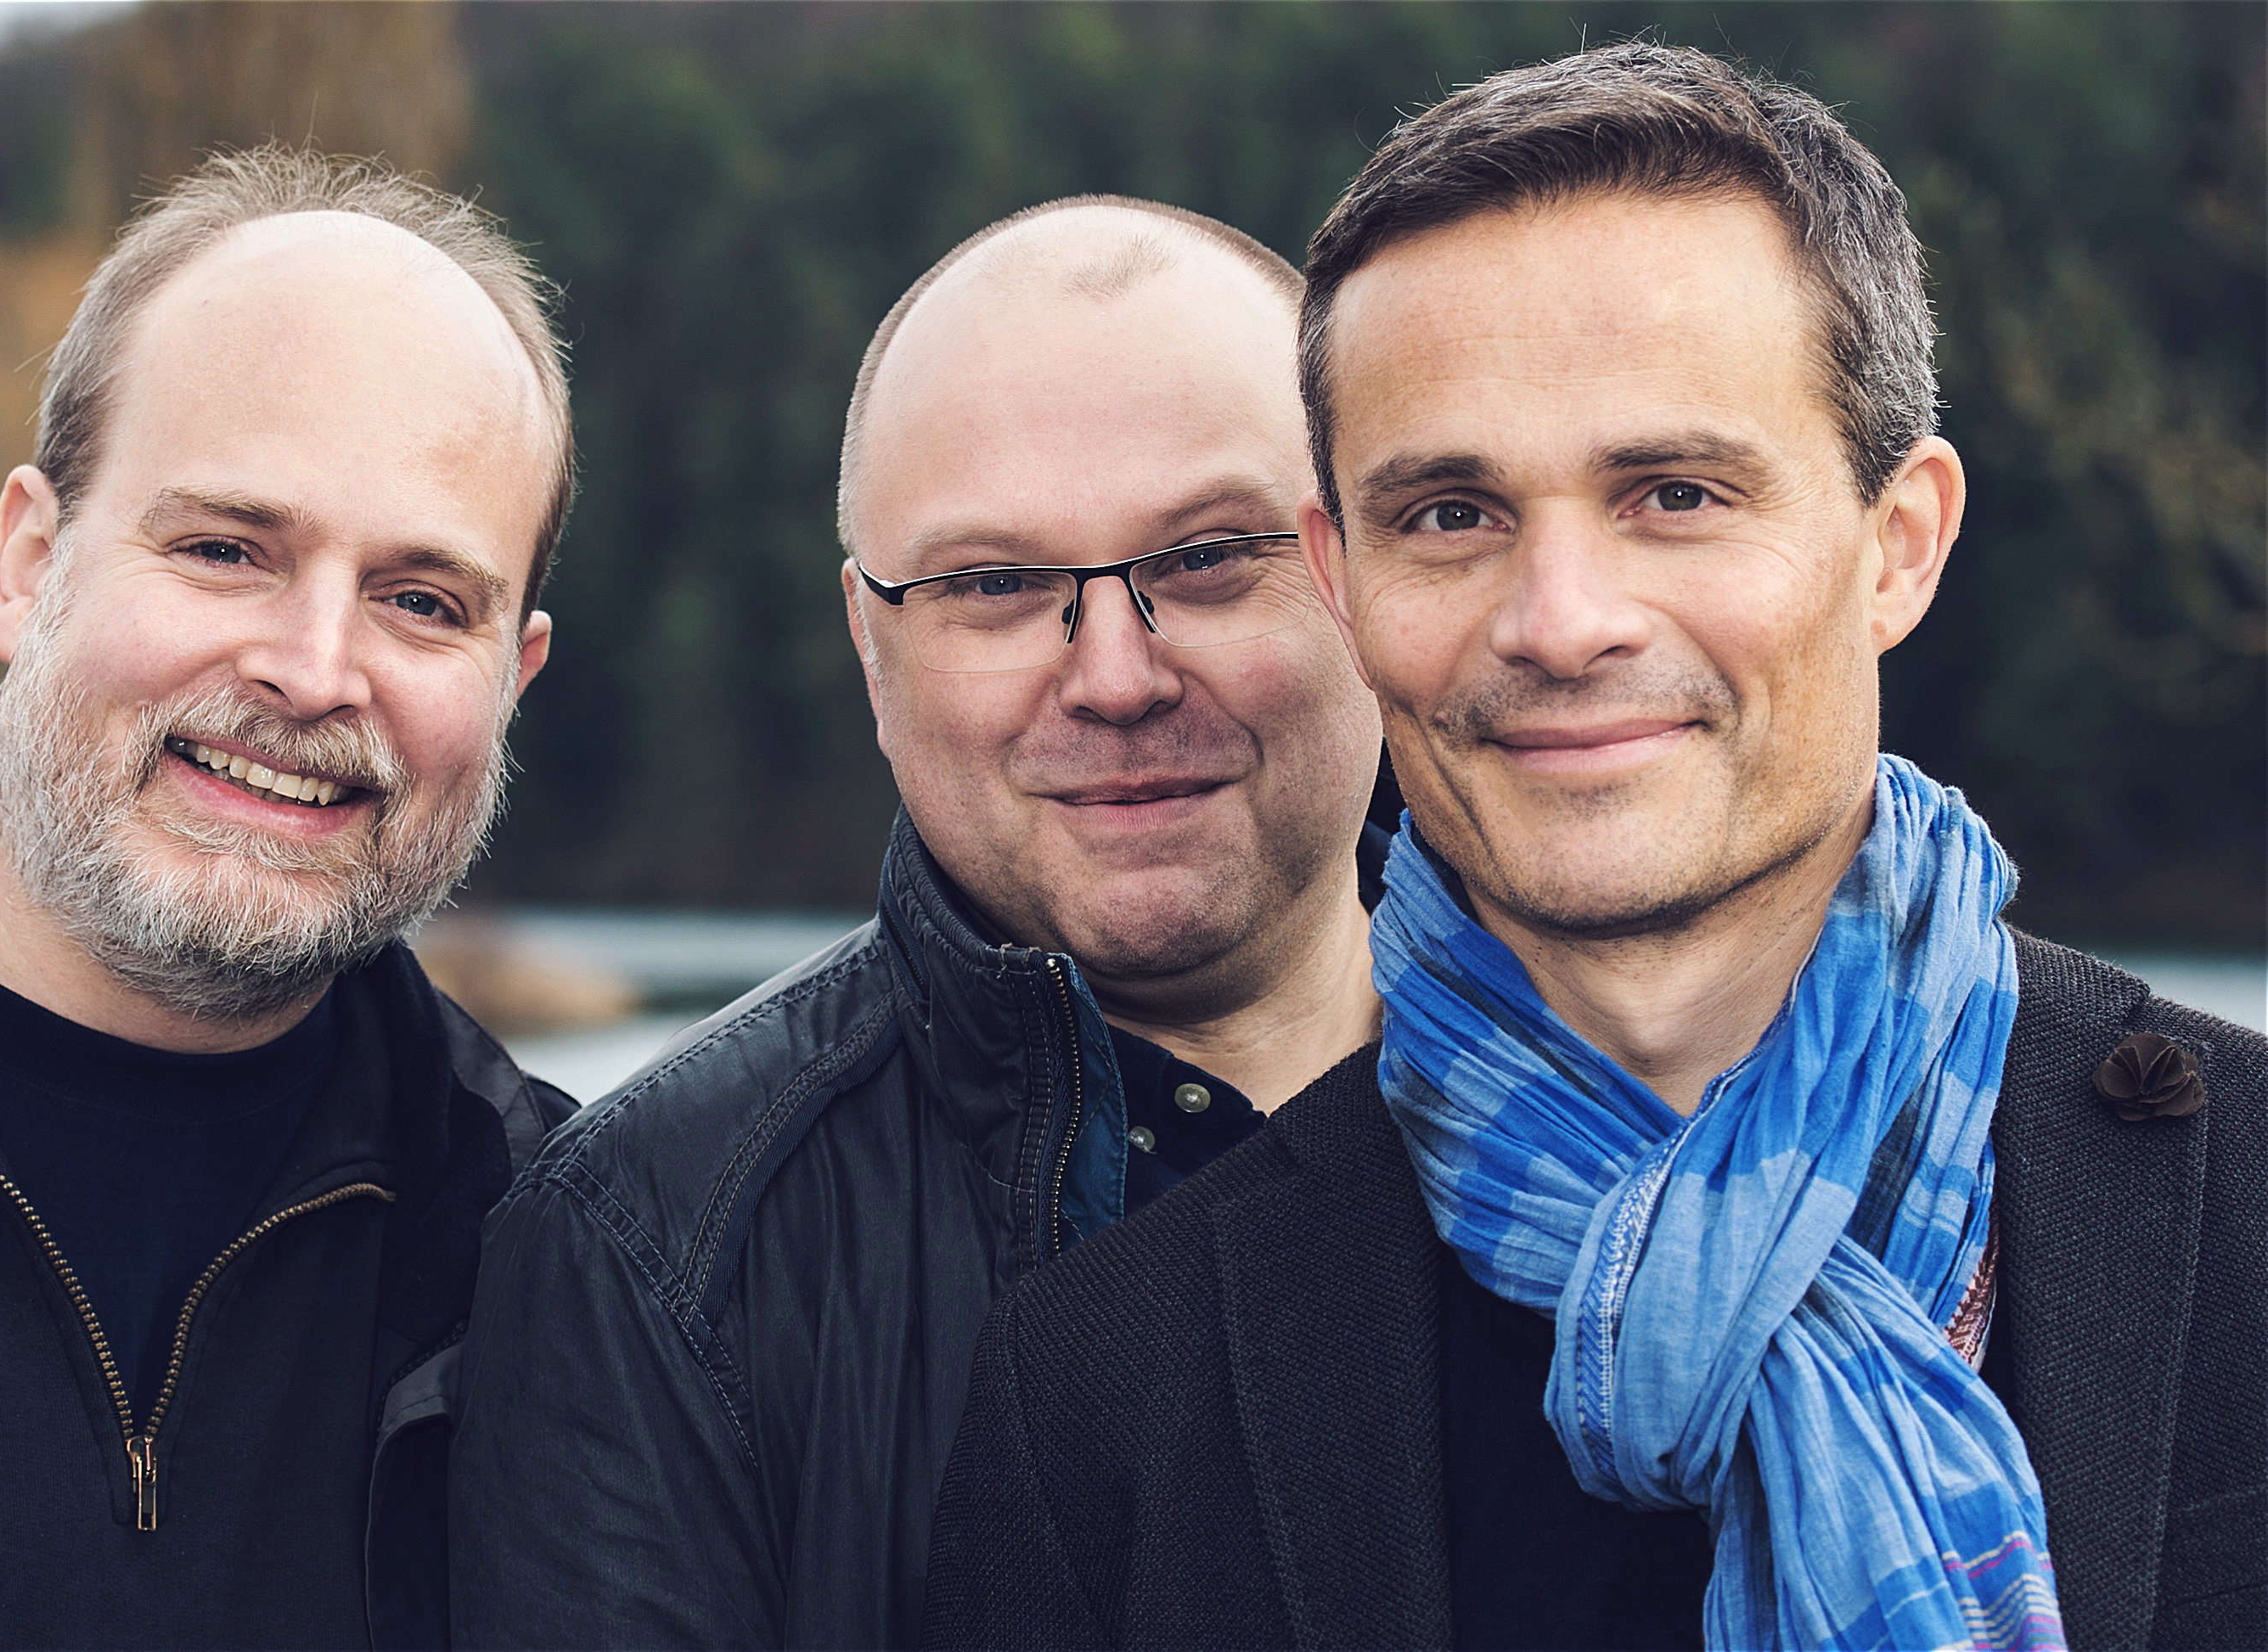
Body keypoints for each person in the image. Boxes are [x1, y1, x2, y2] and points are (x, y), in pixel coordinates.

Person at [924, 45, 2265, 1652]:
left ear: (1897, 545)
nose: (1560, 622)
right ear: (1341, 579)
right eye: (1453, 515)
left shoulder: (2244, 1199)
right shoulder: (1108, 1392)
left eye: (1675, 493)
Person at [447, 196, 1387, 1649]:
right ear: (872, 649)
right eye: (995, 584)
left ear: (1368, 571)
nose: (1117, 675)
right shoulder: (653, 1260)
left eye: (1208, 556)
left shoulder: (1664, 1102)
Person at [0, 147, 579, 1650]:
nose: (314, 669)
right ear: (30, 565)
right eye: (225, 549)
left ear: (511, 678)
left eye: (421, 600)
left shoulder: (578, 1264)